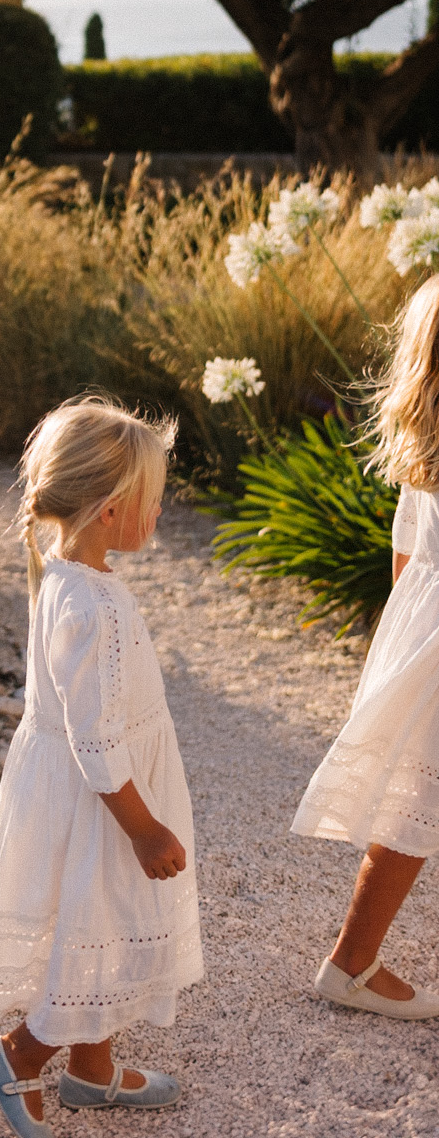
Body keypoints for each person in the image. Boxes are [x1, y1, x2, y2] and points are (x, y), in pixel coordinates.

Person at [0, 399, 202, 1137]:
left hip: (84, 793)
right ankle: (19, 1055)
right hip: (108, 804)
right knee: (109, 922)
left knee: (103, 929)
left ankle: (92, 1071)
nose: (160, 513)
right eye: (153, 502)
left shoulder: (67, 577)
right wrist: (146, 829)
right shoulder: (96, 607)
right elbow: (95, 739)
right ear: (112, 510)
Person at [293, 273, 439, 1019]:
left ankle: (352, 958)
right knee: (416, 806)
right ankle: (349, 963)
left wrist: (400, 650)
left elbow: (405, 560)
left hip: (425, 629)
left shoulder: (427, 447)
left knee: (414, 800)